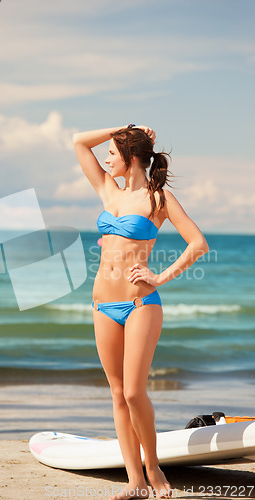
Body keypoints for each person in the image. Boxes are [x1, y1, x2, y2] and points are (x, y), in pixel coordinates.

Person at [73, 125, 209, 500]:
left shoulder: (158, 199)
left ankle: (153, 466)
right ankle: (135, 482)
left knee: (134, 393)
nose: (106, 159)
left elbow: (198, 243)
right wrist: (119, 129)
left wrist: (160, 276)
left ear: (131, 158)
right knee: (117, 393)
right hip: (102, 306)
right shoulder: (107, 190)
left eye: (113, 153)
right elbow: (79, 142)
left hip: (140, 305)